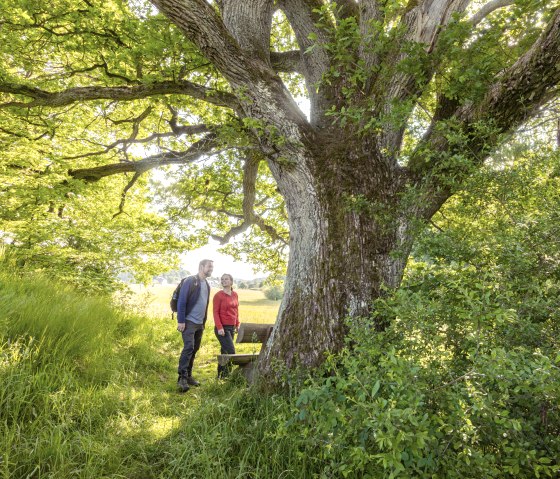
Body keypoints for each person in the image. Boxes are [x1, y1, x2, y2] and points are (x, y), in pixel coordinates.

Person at [176, 259, 213, 392]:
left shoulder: (207, 284)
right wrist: (181, 320)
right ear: (201, 266)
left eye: (212, 267)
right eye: (209, 266)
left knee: (195, 349)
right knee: (188, 348)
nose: (211, 269)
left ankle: (189, 375)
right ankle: (182, 378)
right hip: (189, 321)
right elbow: (182, 301)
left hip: (199, 324)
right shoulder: (191, 281)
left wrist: (203, 322)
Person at [213, 273, 240, 378]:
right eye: (222, 279)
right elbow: (215, 312)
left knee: (224, 351)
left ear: (231, 282)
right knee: (231, 351)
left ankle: (221, 376)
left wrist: (237, 324)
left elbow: (236, 310)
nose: (224, 281)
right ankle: (228, 375)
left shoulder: (235, 294)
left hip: (232, 327)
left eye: (226, 279)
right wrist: (219, 327)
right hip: (222, 328)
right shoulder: (218, 295)